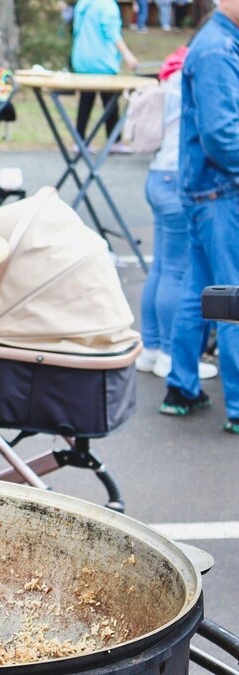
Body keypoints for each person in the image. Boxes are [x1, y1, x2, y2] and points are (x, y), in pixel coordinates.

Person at [162, 0, 239, 432]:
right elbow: (222, 137)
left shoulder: (219, 43)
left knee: (201, 292)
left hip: (206, 190)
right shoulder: (216, 50)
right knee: (232, 298)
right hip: (219, 192)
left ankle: (182, 387)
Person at [136, 46, 218, 382]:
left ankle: (151, 348)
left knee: (161, 267)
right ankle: (172, 356)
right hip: (176, 178)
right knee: (178, 272)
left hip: (157, 176)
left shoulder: (172, 73)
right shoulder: (203, 73)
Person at [71, 0, 139, 154]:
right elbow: (112, 33)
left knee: (85, 100)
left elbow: (76, 30)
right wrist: (128, 55)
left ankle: (79, 140)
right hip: (102, 61)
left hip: (82, 59)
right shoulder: (107, 5)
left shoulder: (83, 3)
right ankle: (114, 140)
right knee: (110, 101)